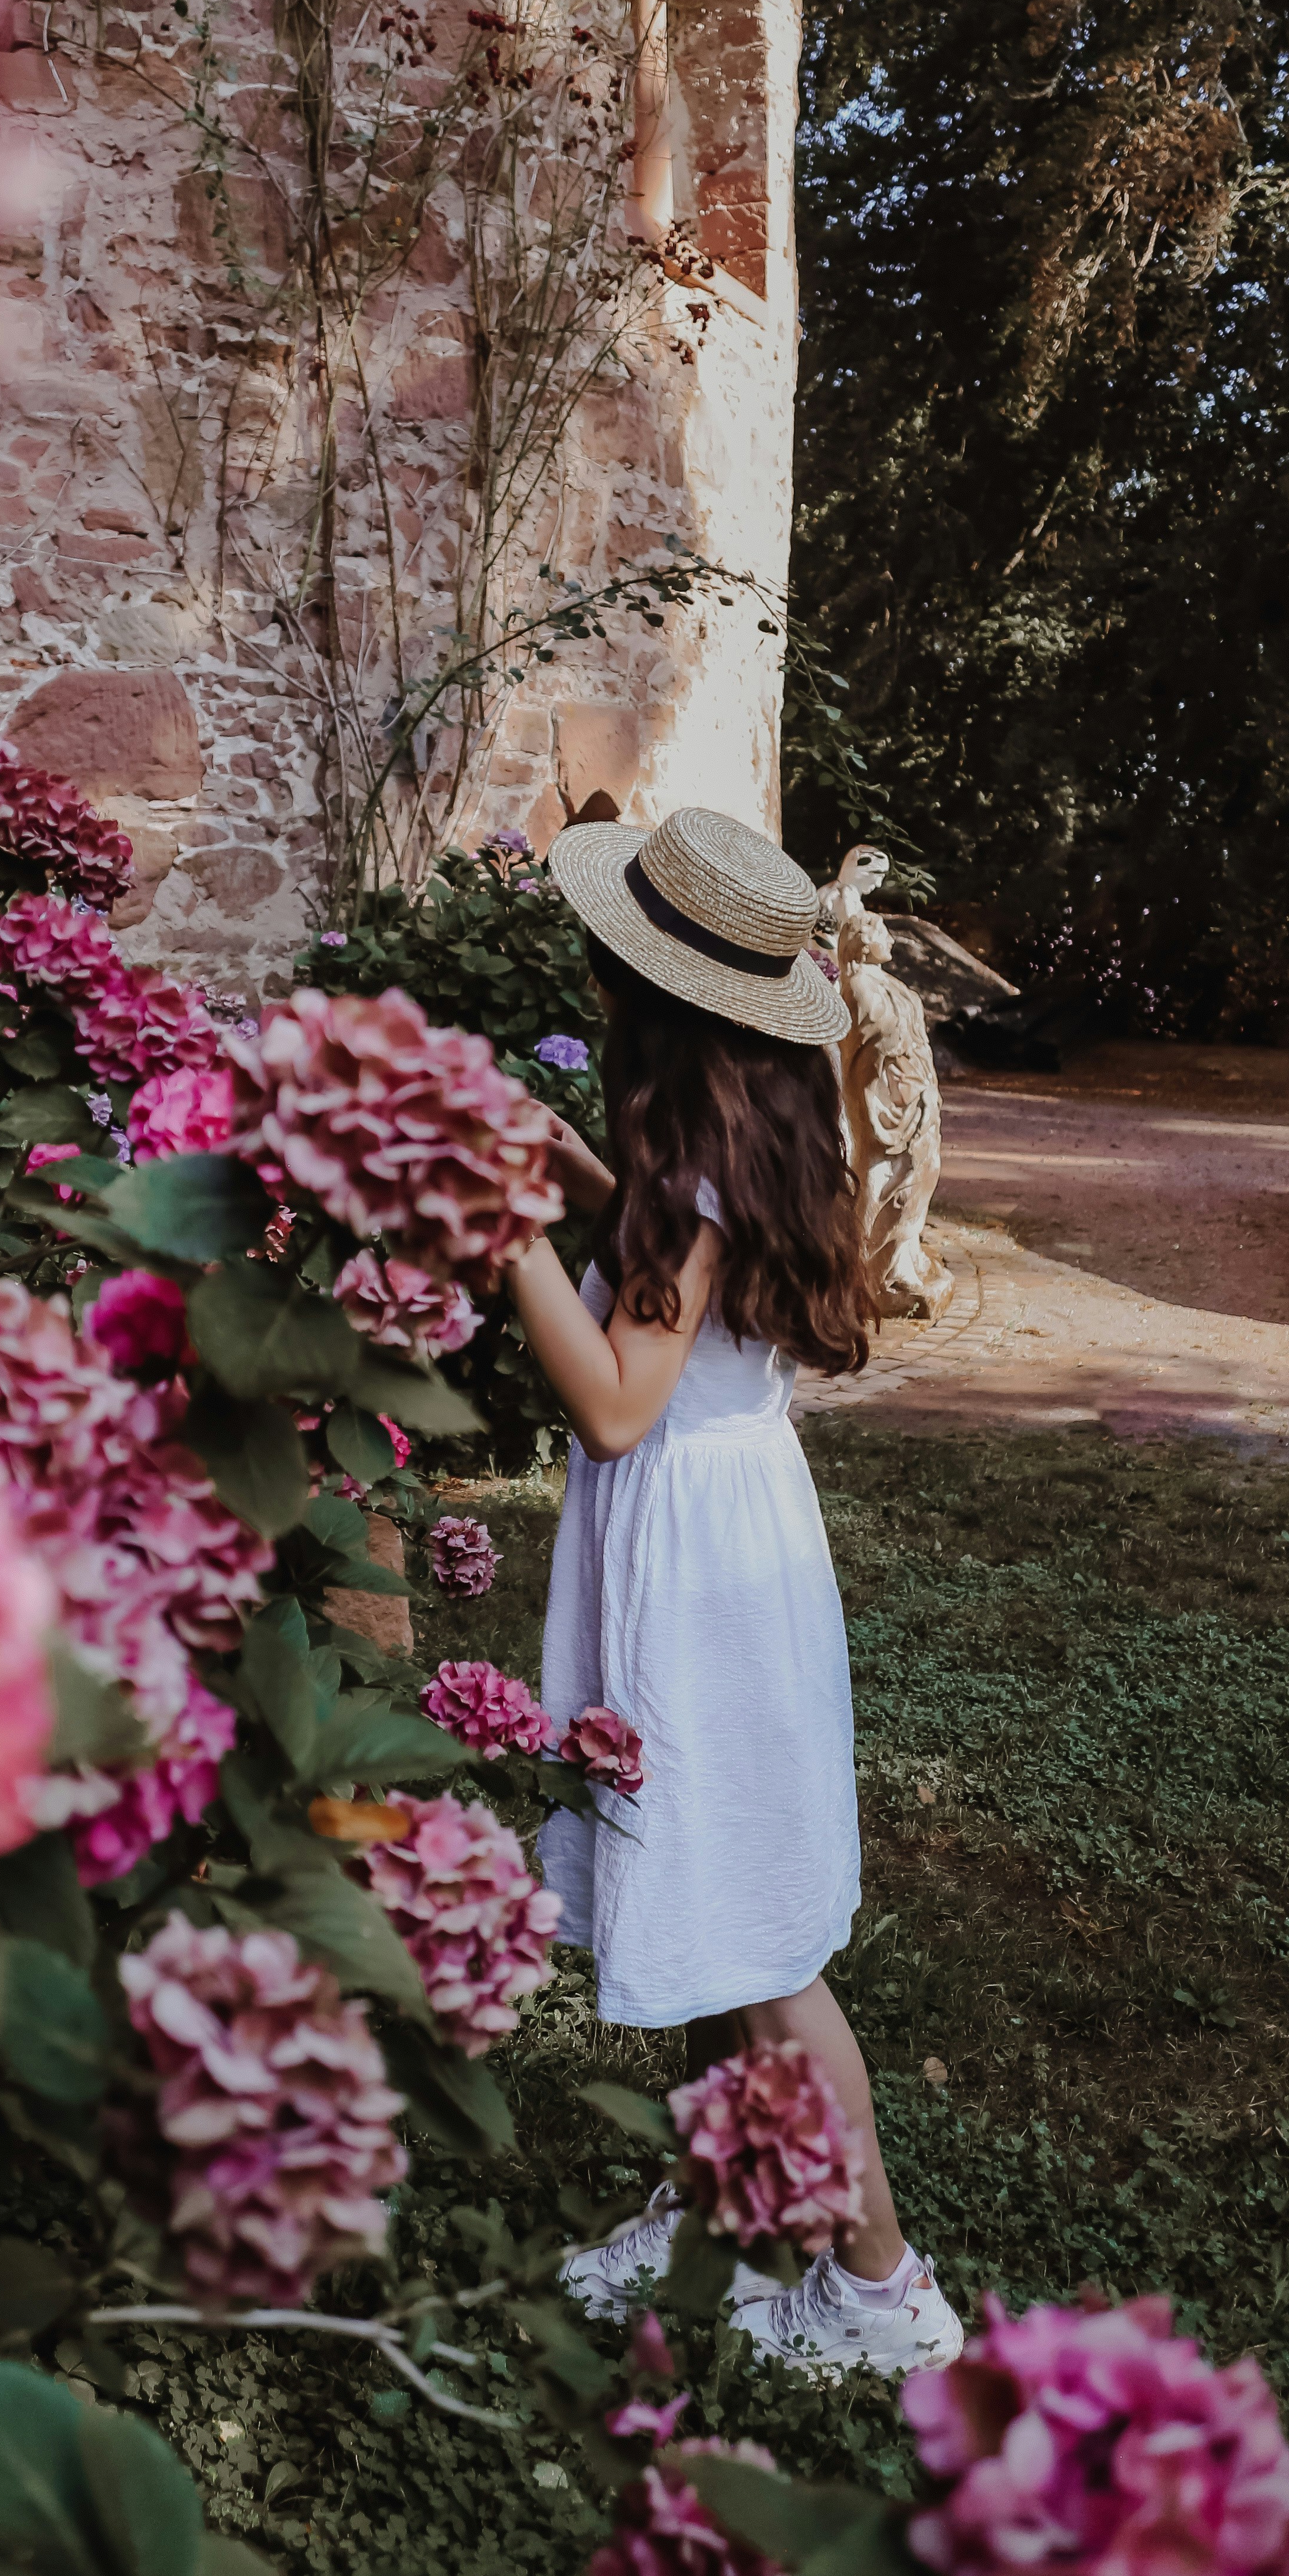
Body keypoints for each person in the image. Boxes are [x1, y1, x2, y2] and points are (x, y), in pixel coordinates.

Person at [508, 805, 963, 2380]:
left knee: (764, 1952)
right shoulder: (750, 1142)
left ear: (654, 1001)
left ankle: (882, 2287)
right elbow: (680, 1308)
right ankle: (727, 2210)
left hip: (692, 1569)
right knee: (709, 1904)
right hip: (732, 1536)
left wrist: (505, 1239)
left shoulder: (691, 1173)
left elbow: (620, 1402)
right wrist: (575, 1186)